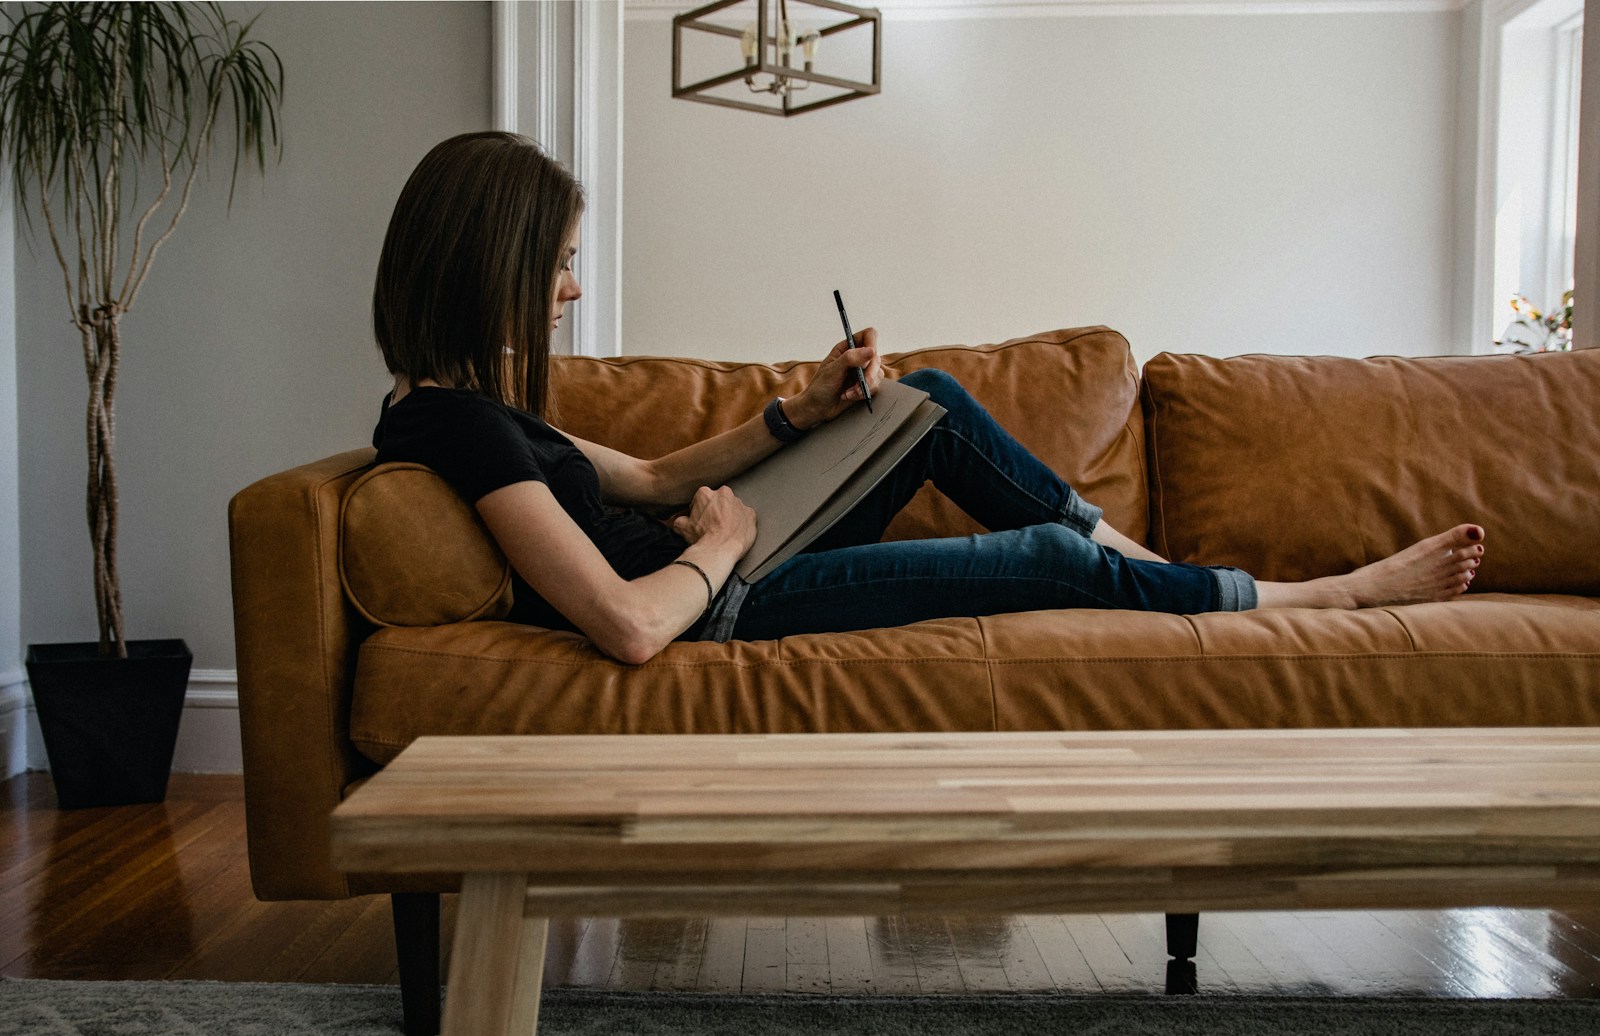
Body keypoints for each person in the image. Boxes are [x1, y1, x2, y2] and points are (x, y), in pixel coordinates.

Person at [371, 131, 1485, 666]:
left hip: (721, 561)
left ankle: (1160, 576)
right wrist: (716, 548)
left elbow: (654, 478)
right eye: (559, 262)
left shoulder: (481, 407)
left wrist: (801, 413)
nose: (571, 287)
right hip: (715, 598)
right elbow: (622, 624)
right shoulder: (449, 426)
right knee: (1045, 566)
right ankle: (1313, 598)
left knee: (927, 402)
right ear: (491, 260)